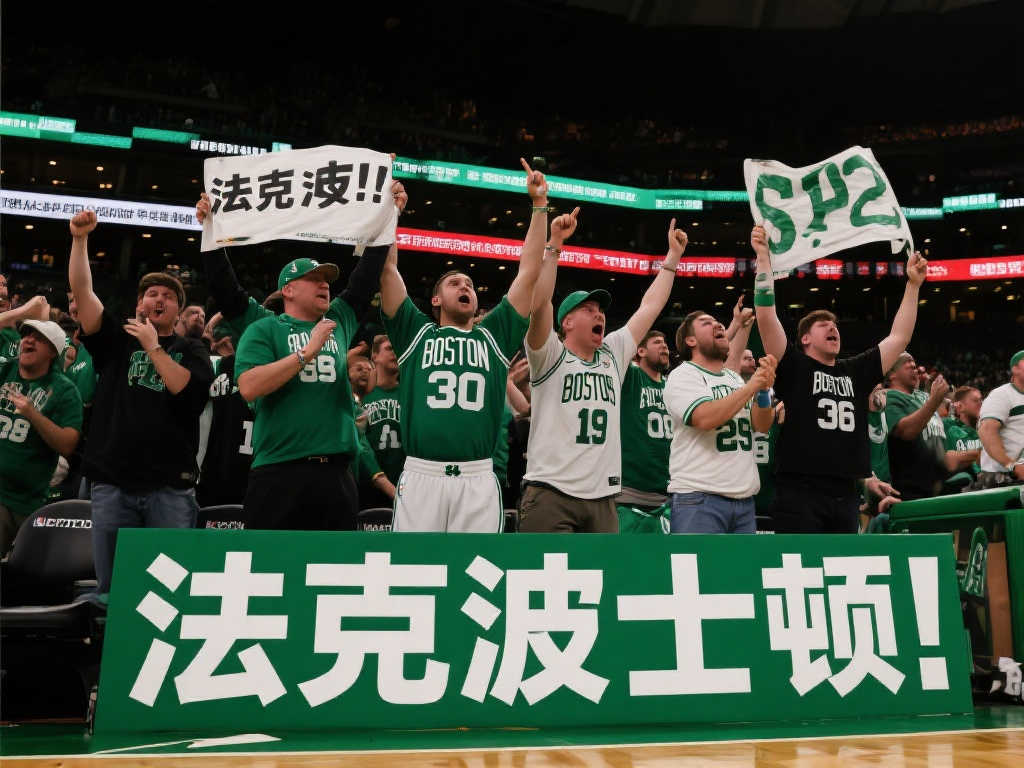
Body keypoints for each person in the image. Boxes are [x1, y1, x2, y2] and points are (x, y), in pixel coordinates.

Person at [196, 186, 401, 530]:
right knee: (270, 563)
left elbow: (366, 275)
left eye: (326, 280)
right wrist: (210, 229)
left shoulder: (339, 319)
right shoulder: (264, 326)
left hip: (336, 474)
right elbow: (249, 386)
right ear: (288, 289)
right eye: (313, 279)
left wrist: (388, 212)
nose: (325, 285)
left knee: (334, 565)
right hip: (278, 471)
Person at [380, 159, 547, 532]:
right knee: (414, 566)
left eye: (470, 284)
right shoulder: (415, 333)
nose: (465, 286)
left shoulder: (494, 334)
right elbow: (388, 270)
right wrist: (389, 211)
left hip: (477, 476)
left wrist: (539, 207)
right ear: (436, 300)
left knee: (478, 566)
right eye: (455, 283)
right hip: (421, 474)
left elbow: (529, 273)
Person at [67, 211, 213, 597]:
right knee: (112, 590)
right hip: (113, 481)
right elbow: (83, 292)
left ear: (178, 311)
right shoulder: (117, 339)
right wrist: (80, 240)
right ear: (139, 303)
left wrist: (153, 347)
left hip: (170, 487)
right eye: (152, 294)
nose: (159, 299)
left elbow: (187, 392)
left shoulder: (191, 349)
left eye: (169, 296)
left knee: (168, 592)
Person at [750, 224, 928, 533]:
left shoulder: (855, 370)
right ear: (805, 339)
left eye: (835, 326)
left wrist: (913, 285)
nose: (833, 328)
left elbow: (899, 337)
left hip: (846, 492)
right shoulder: (793, 365)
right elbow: (765, 315)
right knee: (802, 562)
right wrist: (764, 259)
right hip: (799, 490)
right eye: (823, 325)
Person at [518, 218, 688, 533]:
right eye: (588, 310)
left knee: (604, 569)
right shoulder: (549, 354)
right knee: (548, 567)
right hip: (551, 492)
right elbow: (539, 303)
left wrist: (672, 259)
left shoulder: (612, 352)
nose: (599, 314)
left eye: (601, 310)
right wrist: (554, 245)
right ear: (566, 322)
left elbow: (649, 307)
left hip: (603, 498)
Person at [664, 310, 777, 533]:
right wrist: (752, 387)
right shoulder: (683, 375)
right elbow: (704, 418)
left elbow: (761, 425)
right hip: (698, 498)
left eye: (718, 322)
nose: (718, 325)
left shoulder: (734, 378)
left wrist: (763, 391)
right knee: (698, 558)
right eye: (706, 323)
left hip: (744, 501)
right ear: (690, 340)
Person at [0, 320, 83, 554]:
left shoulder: (64, 390)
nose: (28, 340)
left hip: (29, 500)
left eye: (38, 338)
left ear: (53, 351)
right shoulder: (5, 371)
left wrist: (32, 414)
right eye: (26, 335)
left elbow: (68, 444)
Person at [616, 331, 673, 533]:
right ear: (640, 351)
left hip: (668, 494)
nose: (664, 345)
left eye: (665, 342)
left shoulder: (672, 386)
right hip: (631, 493)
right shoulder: (632, 376)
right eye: (657, 342)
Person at [884, 352, 950, 500]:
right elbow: (905, 431)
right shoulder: (887, 396)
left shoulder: (924, 397)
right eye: (908, 363)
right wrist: (934, 401)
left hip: (940, 488)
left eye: (915, 365)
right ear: (891, 374)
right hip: (909, 491)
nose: (915, 368)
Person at [360, 334, 404, 496]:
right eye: (390, 348)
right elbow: (358, 444)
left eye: (399, 348)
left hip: (406, 484)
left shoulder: (411, 393)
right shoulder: (360, 395)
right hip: (367, 487)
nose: (396, 353)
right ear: (374, 355)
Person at [977, 350, 1024, 487]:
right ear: (1015, 369)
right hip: (1002, 477)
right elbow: (986, 431)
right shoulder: (1001, 394)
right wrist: (1012, 465)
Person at [944, 385, 983, 481]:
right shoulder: (950, 428)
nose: (981, 403)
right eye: (975, 400)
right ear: (960, 406)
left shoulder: (988, 430)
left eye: (981, 400)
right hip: (965, 484)